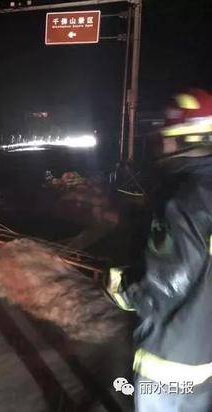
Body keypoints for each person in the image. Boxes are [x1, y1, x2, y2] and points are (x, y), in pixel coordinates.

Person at [106, 89, 212, 410]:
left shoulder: (184, 200)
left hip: (171, 364)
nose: (161, 144)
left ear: (185, 139)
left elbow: (168, 280)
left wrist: (125, 289)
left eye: (166, 136)